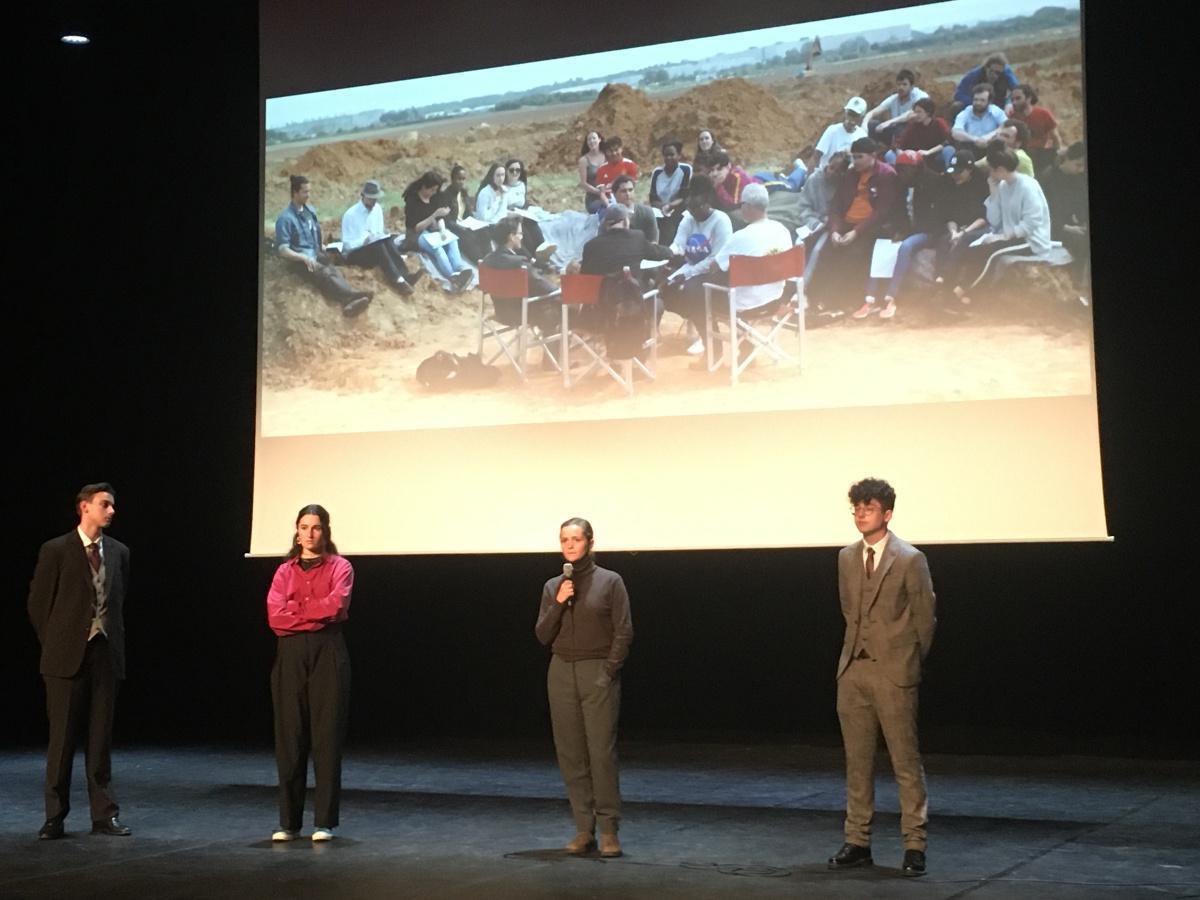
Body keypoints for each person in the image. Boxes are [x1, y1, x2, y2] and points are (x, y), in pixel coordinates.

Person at [828, 478, 936, 879]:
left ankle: (914, 844)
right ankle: (858, 840)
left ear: (887, 514)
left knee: (905, 762)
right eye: (856, 507)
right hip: (853, 671)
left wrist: (906, 661)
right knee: (857, 762)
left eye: (868, 508)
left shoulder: (909, 559)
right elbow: (848, 610)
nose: (860, 513)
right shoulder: (845, 557)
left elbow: (925, 619)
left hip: (894, 672)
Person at [28, 483, 132, 841]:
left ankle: (104, 815)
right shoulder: (56, 550)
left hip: (105, 654)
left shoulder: (118, 552)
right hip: (65, 657)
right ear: (84, 508)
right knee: (62, 740)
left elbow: (118, 602)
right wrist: (58, 641)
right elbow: (39, 603)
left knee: (100, 738)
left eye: (112, 506)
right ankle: (55, 816)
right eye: (105, 505)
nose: (111, 511)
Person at [535, 517, 633, 859]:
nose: (570, 545)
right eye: (564, 540)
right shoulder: (553, 586)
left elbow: (624, 631)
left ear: (589, 542)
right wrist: (560, 600)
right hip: (561, 671)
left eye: (576, 539)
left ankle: (609, 831)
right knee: (571, 754)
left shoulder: (610, 581)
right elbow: (542, 634)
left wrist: (608, 671)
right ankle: (582, 829)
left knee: (601, 754)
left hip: (597, 671)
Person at [267, 504, 353, 843]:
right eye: (304, 526)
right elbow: (275, 617)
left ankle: (324, 822)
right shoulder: (284, 572)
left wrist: (296, 611)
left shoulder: (341, 567)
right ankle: (289, 822)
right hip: (290, 655)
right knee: (290, 736)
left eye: (316, 527)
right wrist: (310, 614)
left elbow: (337, 606)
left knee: (326, 736)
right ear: (297, 530)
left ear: (325, 531)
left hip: (328, 652)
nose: (309, 533)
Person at [666, 183, 793, 355]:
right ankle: (745, 345)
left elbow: (713, 266)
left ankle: (713, 352)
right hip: (775, 298)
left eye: (742, 205)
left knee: (694, 291)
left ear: (747, 206)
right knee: (720, 286)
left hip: (745, 304)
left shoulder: (741, 236)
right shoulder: (782, 231)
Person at [943, 146, 1051, 305]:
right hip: (1008, 235)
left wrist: (1002, 236)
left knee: (990, 253)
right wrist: (993, 191)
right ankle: (959, 291)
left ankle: (964, 292)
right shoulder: (1003, 186)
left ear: (1000, 169)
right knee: (974, 249)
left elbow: (1032, 223)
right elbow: (994, 219)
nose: (989, 174)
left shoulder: (1028, 186)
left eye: (991, 170)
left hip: (1030, 240)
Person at [813, 137, 899, 318]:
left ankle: (842, 301)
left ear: (873, 156)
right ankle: (817, 299)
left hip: (871, 228)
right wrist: (835, 230)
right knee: (826, 252)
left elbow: (882, 212)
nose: (855, 161)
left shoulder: (886, 175)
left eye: (859, 157)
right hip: (846, 224)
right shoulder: (851, 175)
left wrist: (856, 232)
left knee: (853, 255)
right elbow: (836, 206)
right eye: (853, 157)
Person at [275, 175, 373, 317]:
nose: (308, 195)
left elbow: (313, 235)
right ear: (295, 193)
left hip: (314, 253)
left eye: (309, 191)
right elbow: (283, 250)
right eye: (305, 192)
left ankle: (348, 300)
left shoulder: (310, 211)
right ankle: (351, 296)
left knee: (332, 269)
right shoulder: (285, 219)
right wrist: (302, 257)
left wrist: (323, 246)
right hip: (298, 261)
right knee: (323, 273)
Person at [665, 175, 733, 353]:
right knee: (663, 286)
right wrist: (669, 253)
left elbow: (716, 259)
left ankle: (712, 346)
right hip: (691, 268)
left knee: (692, 291)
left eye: (697, 207)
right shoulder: (688, 219)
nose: (694, 212)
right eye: (690, 208)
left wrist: (687, 274)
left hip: (715, 272)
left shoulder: (721, 221)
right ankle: (698, 322)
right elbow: (678, 244)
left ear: (708, 203)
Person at [480, 215, 561, 336]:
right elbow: (545, 287)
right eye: (520, 234)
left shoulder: (486, 262)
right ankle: (555, 354)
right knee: (557, 310)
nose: (521, 237)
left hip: (501, 313)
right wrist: (560, 290)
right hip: (522, 314)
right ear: (512, 237)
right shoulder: (519, 263)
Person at [340, 180, 423, 294]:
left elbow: (379, 232)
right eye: (371, 199)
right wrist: (364, 241)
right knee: (377, 245)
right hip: (355, 253)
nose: (373, 203)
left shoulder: (377, 209)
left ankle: (406, 275)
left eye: (375, 199)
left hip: (374, 248)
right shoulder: (350, 215)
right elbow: (347, 245)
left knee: (387, 241)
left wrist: (379, 237)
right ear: (363, 196)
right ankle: (398, 281)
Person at [403, 171, 473, 291]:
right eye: (432, 190)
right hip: (417, 234)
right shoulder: (412, 201)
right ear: (424, 187)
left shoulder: (434, 198)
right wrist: (434, 216)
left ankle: (459, 268)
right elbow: (416, 227)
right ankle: (453, 277)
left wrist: (442, 230)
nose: (433, 193)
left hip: (432, 231)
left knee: (452, 240)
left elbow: (440, 218)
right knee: (437, 248)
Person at [863, 69, 930, 147]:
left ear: (911, 86)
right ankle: (872, 150)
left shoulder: (920, 96)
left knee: (901, 128)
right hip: (894, 129)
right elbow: (873, 112)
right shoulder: (894, 99)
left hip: (914, 132)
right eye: (898, 84)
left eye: (904, 84)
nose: (901, 87)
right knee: (871, 125)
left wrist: (888, 122)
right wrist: (865, 124)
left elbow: (910, 115)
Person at [1006, 84, 1062, 174]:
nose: (1014, 102)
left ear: (1029, 98)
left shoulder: (1043, 114)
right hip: (1021, 154)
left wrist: (1056, 157)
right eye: (1012, 99)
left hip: (1041, 154)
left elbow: (1055, 138)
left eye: (1018, 98)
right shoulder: (1012, 116)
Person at [949, 83, 1006, 164]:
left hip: (990, 145)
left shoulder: (996, 111)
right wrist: (975, 139)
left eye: (982, 100)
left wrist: (987, 137)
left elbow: (1006, 126)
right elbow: (955, 132)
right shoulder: (966, 112)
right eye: (976, 100)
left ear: (989, 102)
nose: (978, 103)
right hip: (971, 146)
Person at [648, 140, 692, 246]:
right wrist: (663, 207)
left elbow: (684, 195)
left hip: (678, 208)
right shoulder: (657, 172)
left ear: (679, 155)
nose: (668, 158)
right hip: (660, 208)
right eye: (666, 155)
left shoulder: (686, 170)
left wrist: (670, 206)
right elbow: (653, 197)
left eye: (672, 155)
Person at [951, 52, 1019, 116]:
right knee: (957, 106)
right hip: (977, 106)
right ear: (986, 68)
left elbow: (1017, 90)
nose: (994, 75)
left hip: (999, 106)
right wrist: (977, 103)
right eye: (991, 71)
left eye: (998, 73)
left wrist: (1009, 103)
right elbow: (958, 94)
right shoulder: (974, 75)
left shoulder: (1006, 73)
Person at [890, 98, 950, 170]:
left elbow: (948, 141)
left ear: (928, 113)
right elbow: (900, 143)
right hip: (916, 156)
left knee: (949, 150)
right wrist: (900, 152)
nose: (916, 115)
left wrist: (929, 152)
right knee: (890, 154)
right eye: (915, 112)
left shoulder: (939, 123)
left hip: (935, 154)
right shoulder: (913, 125)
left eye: (919, 112)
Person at [812, 97, 869, 170]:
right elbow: (817, 155)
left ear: (861, 117)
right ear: (846, 113)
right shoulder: (833, 130)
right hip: (826, 171)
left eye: (855, 116)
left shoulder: (862, 135)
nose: (851, 119)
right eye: (850, 114)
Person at [612, 174, 658, 243]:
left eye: (630, 190)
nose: (628, 194)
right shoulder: (610, 215)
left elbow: (653, 240)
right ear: (615, 194)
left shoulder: (647, 212)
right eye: (623, 191)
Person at [593, 137, 640, 205]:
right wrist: (608, 205)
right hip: (608, 201)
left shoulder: (630, 165)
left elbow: (632, 189)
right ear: (606, 152)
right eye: (611, 151)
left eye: (616, 150)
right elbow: (602, 193)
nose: (614, 153)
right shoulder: (601, 169)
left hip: (627, 200)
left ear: (621, 149)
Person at [578, 130, 608, 213]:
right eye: (589, 139)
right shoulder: (584, 160)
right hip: (593, 199)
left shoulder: (607, 156)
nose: (592, 141)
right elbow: (583, 184)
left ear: (599, 140)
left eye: (594, 138)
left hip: (610, 194)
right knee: (606, 210)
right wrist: (600, 193)